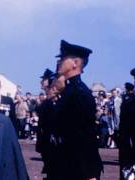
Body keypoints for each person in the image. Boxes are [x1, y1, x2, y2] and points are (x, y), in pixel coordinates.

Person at [52, 40, 103, 180]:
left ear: (75, 63)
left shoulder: (79, 93)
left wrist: (90, 173)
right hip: (67, 163)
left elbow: (87, 136)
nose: (59, 61)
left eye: (63, 58)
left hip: (79, 169)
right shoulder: (69, 91)